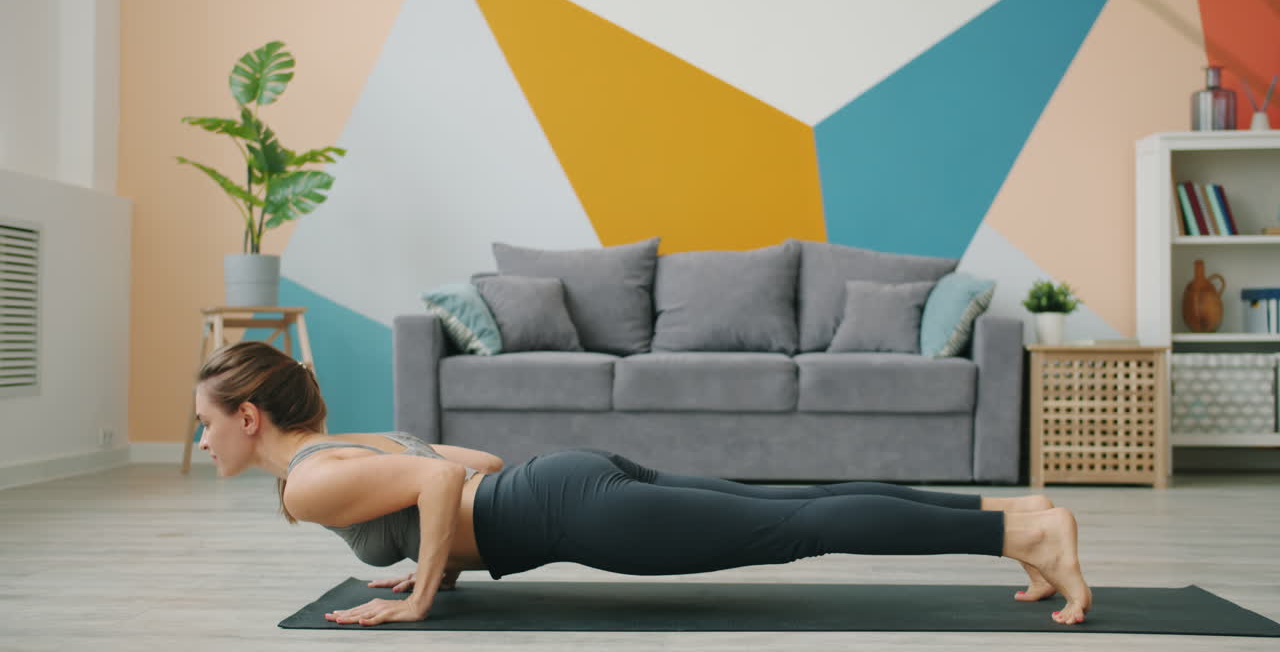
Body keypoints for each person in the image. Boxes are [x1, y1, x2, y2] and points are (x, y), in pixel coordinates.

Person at [194, 340, 1092, 628]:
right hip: (569, 482)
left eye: (205, 419)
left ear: (248, 417)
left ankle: (1019, 538)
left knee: (799, 528)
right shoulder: (346, 447)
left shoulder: (307, 485)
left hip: (572, 512)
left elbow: (436, 486)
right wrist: (444, 554)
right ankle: (1018, 515)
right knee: (795, 508)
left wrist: (420, 592)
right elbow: (473, 471)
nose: (200, 436)